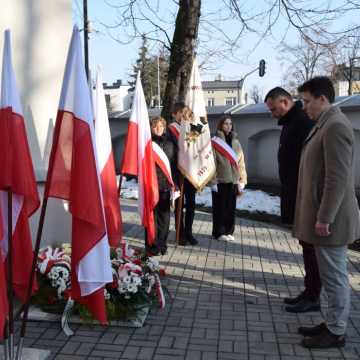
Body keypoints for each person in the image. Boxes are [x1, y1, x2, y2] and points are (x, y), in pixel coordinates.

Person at [294, 77, 360, 348]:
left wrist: (325, 217)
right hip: (325, 218)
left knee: (334, 278)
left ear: (323, 99)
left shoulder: (335, 126)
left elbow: (337, 178)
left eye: (307, 101)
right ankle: (332, 322)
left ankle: (336, 332)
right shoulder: (325, 124)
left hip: (331, 221)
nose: (304, 107)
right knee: (330, 275)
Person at [265, 87, 321, 313]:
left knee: (311, 248)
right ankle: (309, 291)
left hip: (305, 196)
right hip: (295, 194)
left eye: (274, 108)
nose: (272, 113)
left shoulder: (302, 123)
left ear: (285, 102)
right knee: (306, 246)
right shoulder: (292, 122)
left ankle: (314, 295)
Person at [211, 115, 247, 241]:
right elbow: (212, 162)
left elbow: (241, 162)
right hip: (220, 180)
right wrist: (213, 181)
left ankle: (229, 231)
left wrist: (242, 180)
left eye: (230, 124)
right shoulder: (215, 142)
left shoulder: (236, 142)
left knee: (231, 208)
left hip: (233, 180)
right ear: (221, 125)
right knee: (220, 208)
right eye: (226, 123)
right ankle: (218, 232)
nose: (228, 126)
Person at [145, 116, 177, 256]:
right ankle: (152, 244)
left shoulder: (171, 144)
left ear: (164, 127)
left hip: (165, 185)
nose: (158, 129)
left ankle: (162, 244)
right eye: (155, 126)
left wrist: (175, 185)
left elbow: (174, 166)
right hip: (151, 186)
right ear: (151, 128)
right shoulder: (146, 144)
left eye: (161, 126)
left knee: (164, 218)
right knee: (152, 217)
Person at [168, 102, 198, 246]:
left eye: (184, 112)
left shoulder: (193, 129)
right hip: (178, 171)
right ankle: (180, 233)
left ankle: (189, 232)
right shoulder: (171, 129)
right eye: (180, 112)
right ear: (174, 114)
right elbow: (176, 149)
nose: (182, 115)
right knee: (180, 204)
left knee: (191, 203)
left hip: (191, 171)